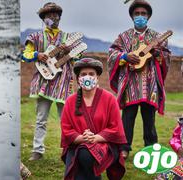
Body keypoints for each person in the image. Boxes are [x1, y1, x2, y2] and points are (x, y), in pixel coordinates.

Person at [107, 0, 171, 159]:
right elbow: (112, 53)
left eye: (143, 14)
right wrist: (124, 56)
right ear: (132, 16)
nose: (140, 16)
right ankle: (124, 149)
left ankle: (150, 149)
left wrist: (158, 54)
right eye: (137, 14)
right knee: (127, 118)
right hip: (130, 84)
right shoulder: (123, 37)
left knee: (150, 120)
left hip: (150, 85)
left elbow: (166, 55)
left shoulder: (157, 37)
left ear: (148, 16)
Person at [22, 2, 78, 161]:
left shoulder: (68, 38)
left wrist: (71, 52)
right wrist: (36, 55)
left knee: (66, 119)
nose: (52, 17)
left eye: (55, 14)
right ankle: (37, 151)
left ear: (60, 17)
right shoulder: (35, 37)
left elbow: (78, 57)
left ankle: (68, 150)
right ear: (43, 18)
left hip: (63, 82)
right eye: (48, 15)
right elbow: (25, 55)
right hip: (43, 81)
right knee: (41, 119)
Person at [61, 58, 127, 180]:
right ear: (78, 79)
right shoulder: (70, 101)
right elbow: (66, 129)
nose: (87, 77)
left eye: (91, 74)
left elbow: (116, 128)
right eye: (83, 74)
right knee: (81, 159)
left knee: (86, 155)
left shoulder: (109, 99)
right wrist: (83, 138)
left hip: (105, 144)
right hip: (77, 145)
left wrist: (95, 138)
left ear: (97, 78)